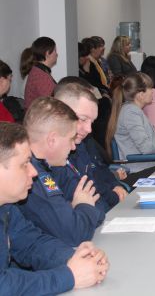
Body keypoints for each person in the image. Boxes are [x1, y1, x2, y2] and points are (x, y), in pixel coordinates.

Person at [0, 122, 109, 294]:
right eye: (24, 164)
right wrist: (69, 276)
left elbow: (31, 243)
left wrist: (74, 258)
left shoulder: (6, 207)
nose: (34, 172)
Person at [19, 97, 105, 247]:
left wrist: (76, 209)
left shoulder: (56, 165)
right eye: (71, 139)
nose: (73, 147)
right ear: (52, 140)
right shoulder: (31, 177)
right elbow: (75, 233)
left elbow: (98, 207)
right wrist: (79, 207)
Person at [54, 81, 128, 212]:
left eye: (91, 122)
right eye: (83, 119)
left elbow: (96, 176)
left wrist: (115, 186)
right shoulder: (53, 158)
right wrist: (114, 197)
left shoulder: (79, 146)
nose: (89, 129)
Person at [105, 72, 155, 175]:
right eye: (150, 88)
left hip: (146, 167)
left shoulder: (133, 110)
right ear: (141, 95)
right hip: (138, 171)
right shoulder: (131, 113)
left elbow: (150, 142)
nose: (153, 92)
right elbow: (147, 148)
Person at [21, 36, 58, 109]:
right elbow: (52, 103)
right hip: (39, 115)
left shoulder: (39, 71)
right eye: (55, 51)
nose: (57, 54)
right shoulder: (40, 76)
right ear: (47, 53)